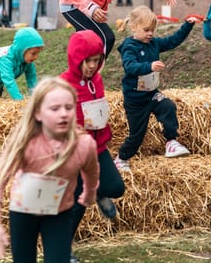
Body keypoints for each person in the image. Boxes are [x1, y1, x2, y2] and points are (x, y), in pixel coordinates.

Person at [0, 76, 99, 263]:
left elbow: (91, 172)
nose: (63, 114)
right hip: (23, 213)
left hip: (59, 214)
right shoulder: (26, 143)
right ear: (38, 113)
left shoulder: (84, 145)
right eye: (55, 109)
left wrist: (89, 193)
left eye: (68, 107)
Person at [60, 30, 125, 262]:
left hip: (97, 147)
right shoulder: (63, 84)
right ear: (76, 59)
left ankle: (98, 193)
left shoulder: (97, 80)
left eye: (96, 61)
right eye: (87, 61)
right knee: (77, 202)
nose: (91, 66)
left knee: (117, 187)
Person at [114, 6, 199, 171]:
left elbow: (172, 41)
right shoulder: (129, 46)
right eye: (146, 30)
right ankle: (121, 158)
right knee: (137, 135)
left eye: (152, 30)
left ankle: (171, 142)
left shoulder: (153, 44)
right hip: (135, 100)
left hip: (151, 94)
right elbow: (130, 66)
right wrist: (150, 66)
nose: (150, 34)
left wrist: (187, 26)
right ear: (134, 27)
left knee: (167, 106)